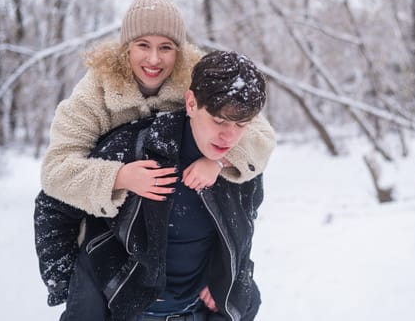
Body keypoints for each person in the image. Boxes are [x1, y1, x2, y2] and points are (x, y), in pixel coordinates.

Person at [35, 50, 271, 321]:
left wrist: (223, 276)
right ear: (191, 104)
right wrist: (71, 288)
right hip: (124, 309)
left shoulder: (241, 168)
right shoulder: (135, 148)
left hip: (196, 312)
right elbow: (53, 204)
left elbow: (243, 226)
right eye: (218, 121)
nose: (229, 136)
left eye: (241, 125)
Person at [40, 0, 275, 220]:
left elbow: (260, 134)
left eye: (166, 47)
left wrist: (219, 161)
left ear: (179, 51)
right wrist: (120, 177)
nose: (154, 59)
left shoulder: (199, 79)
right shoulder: (96, 90)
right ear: (127, 49)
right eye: (143, 45)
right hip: (108, 229)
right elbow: (56, 170)